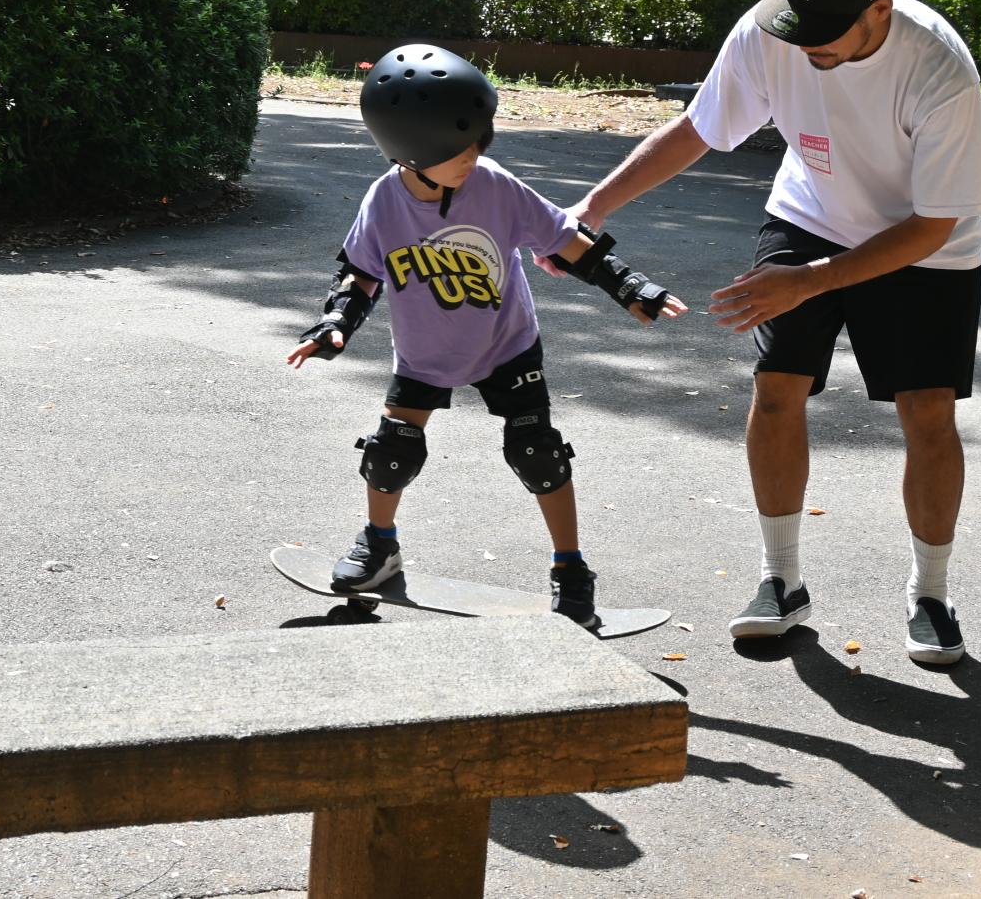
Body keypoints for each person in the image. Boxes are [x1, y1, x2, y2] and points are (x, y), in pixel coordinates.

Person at [548, 0, 981, 665]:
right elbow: (698, 128)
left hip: (924, 241)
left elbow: (932, 226)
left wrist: (812, 282)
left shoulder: (938, 68)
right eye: (799, 20)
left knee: (927, 411)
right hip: (810, 211)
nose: (804, 44)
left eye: (825, 30)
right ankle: (781, 579)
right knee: (777, 385)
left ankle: (932, 594)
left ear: (880, 7)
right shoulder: (771, 30)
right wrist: (591, 208)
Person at [286, 44, 687, 628]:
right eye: (462, 147)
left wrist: (627, 285)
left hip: (507, 346)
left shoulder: (495, 185)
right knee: (391, 452)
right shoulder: (383, 201)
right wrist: (335, 324)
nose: (477, 153)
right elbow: (360, 271)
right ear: (412, 151)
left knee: (538, 453)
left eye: (480, 139)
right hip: (423, 353)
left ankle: (571, 570)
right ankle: (379, 545)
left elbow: (565, 240)